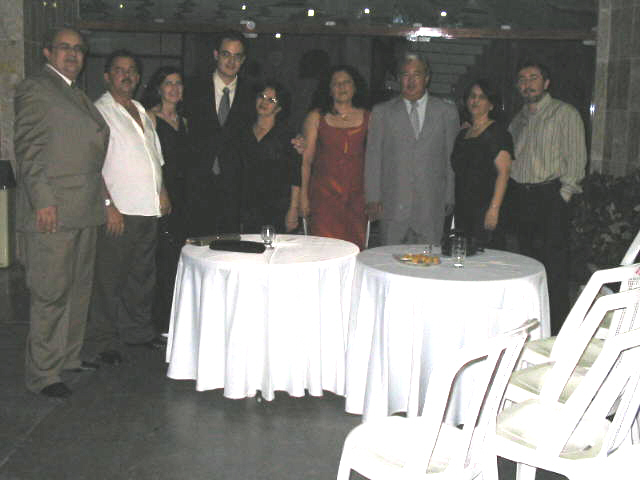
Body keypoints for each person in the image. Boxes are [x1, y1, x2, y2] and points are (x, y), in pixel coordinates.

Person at [13, 27, 110, 398]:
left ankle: (68, 358)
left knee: (77, 291)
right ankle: (43, 373)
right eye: (64, 48)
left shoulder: (75, 92)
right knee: (51, 293)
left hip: (83, 209)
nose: (73, 54)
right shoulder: (37, 88)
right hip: (53, 210)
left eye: (79, 49)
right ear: (47, 52)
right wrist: (42, 200)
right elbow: (28, 149)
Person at [85, 50, 171, 366]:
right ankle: (103, 341)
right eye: (120, 70)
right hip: (118, 212)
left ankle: (137, 332)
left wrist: (162, 191)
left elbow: (155, 158)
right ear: (107, 76)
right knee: (108, 281)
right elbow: (91, 165)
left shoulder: (141, 110)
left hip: (147, 208)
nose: (127, 75)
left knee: (141, 277)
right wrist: (108, 205)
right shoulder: (99, 111)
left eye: (132, 70)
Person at [508, 60, 586, 334]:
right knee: (527, 268)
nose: (527, 84)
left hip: (550, 198)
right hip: (522, 198)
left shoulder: (565, 114)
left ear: (546, 82)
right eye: (522, 79)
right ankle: (531, 329)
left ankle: (557, 334)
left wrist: (563, 196)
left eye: (533, 77)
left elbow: (576, 159)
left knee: (554, 271)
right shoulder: (517, 119)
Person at [365, 52, 459, 246]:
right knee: (390, 259)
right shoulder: (382, 112)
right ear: (399, 79)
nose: (411, 81)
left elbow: (452, 158)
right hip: (393, 204)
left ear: (427, 78)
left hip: (431, 204)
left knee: (429, 259)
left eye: (416, 74)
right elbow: (373, 158)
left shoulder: (447, 112)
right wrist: (372, 197)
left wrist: (450, 195)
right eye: (405, 75)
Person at [184, 30, 254, 236]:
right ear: (216, 55)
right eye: (226, 54)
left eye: (237, 56)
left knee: (229, 246)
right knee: (196, 244)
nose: (231, 62)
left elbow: (274, 108)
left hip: (234, 185)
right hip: (196, 183)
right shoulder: (192, 87)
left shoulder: (252, 93)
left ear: (243, 60)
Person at [301, 65, 369, 249]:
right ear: (329, 89)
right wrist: (303, 197)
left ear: (355, 86)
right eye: (336, 84)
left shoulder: (369, 117)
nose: (342, 87)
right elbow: (306, 161)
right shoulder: (316, 117)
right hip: (324, 198)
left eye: (346, 82)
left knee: (354, 249)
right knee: (324, 249)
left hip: (357, 198)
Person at [142, 66, 189, 334]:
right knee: (162, 261)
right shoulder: (150, 118)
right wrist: (161, 191)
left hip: (184, 197)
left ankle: (175, 321)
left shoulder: (186, 121)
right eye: (168, 83)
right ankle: (159, 323)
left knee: (179, 260)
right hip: (162, 195)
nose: (174, 88)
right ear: (159, 88)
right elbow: (149, 161)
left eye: (178, 83)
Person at [450, 79, 513, 250]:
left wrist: (494, 209)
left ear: (491, 105)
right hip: (463, 207)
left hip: (486, 207)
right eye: (472, 96)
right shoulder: (463, 133)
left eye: (482, 97)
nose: (475, 100)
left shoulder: (498, 134)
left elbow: (504, 173)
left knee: (485, 257)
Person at [233, 81, 301, 233]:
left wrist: (293, 209)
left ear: (279, 108)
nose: (264, 102)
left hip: (277, 208)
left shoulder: (287, 136)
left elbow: (295, 176)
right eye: (262, 96)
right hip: (246, 207)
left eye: (271, 100)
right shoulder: (243, 131)